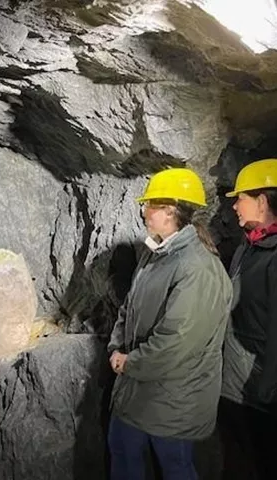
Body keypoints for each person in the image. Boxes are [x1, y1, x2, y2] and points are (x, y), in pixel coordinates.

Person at [107, 168, 232, 480]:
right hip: (137, 390)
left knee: (175, 469)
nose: (144, 211)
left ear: (169, 211)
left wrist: (129, 362)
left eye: (150, 205)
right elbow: (129, 308)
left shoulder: (198, 268)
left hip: (172, 401)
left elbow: (177, 340)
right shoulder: (155, 255)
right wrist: (116, 348)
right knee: (122, 454)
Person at [219, 158, 277, 480]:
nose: (235, 206)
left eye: (240, 198)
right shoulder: (248, 247)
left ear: (263, 201)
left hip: (260, 392)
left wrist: (268, 387)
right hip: (234, 382)